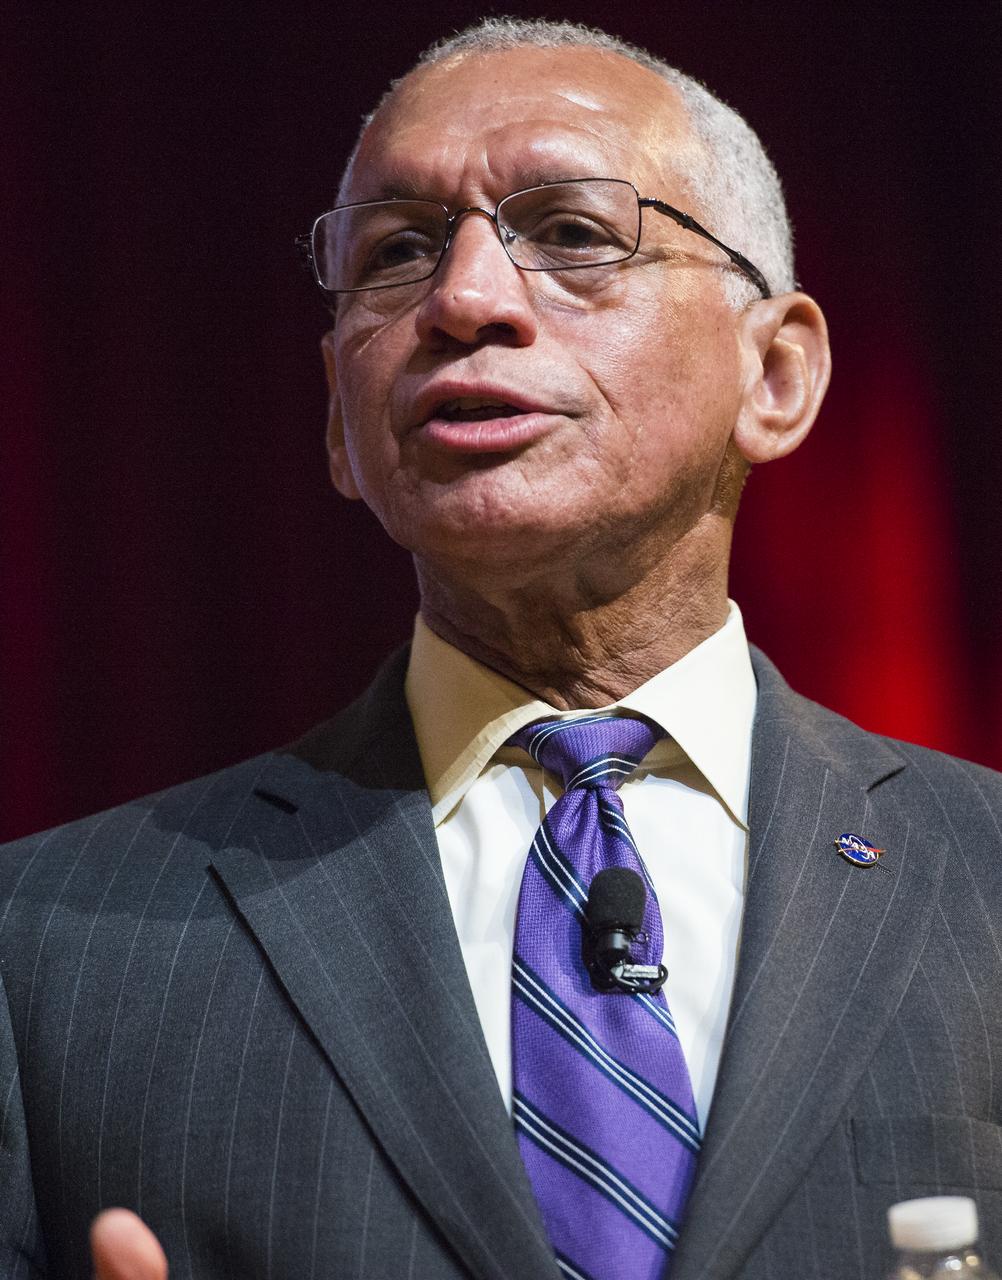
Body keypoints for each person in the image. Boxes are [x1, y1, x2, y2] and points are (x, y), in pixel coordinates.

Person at [4, 16, 1002, 1280]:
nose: (463, 300)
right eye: (398, 250)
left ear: (777, 374)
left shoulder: (983, 878)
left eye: (573, 233)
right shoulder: (46, 943)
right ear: (339, 414)